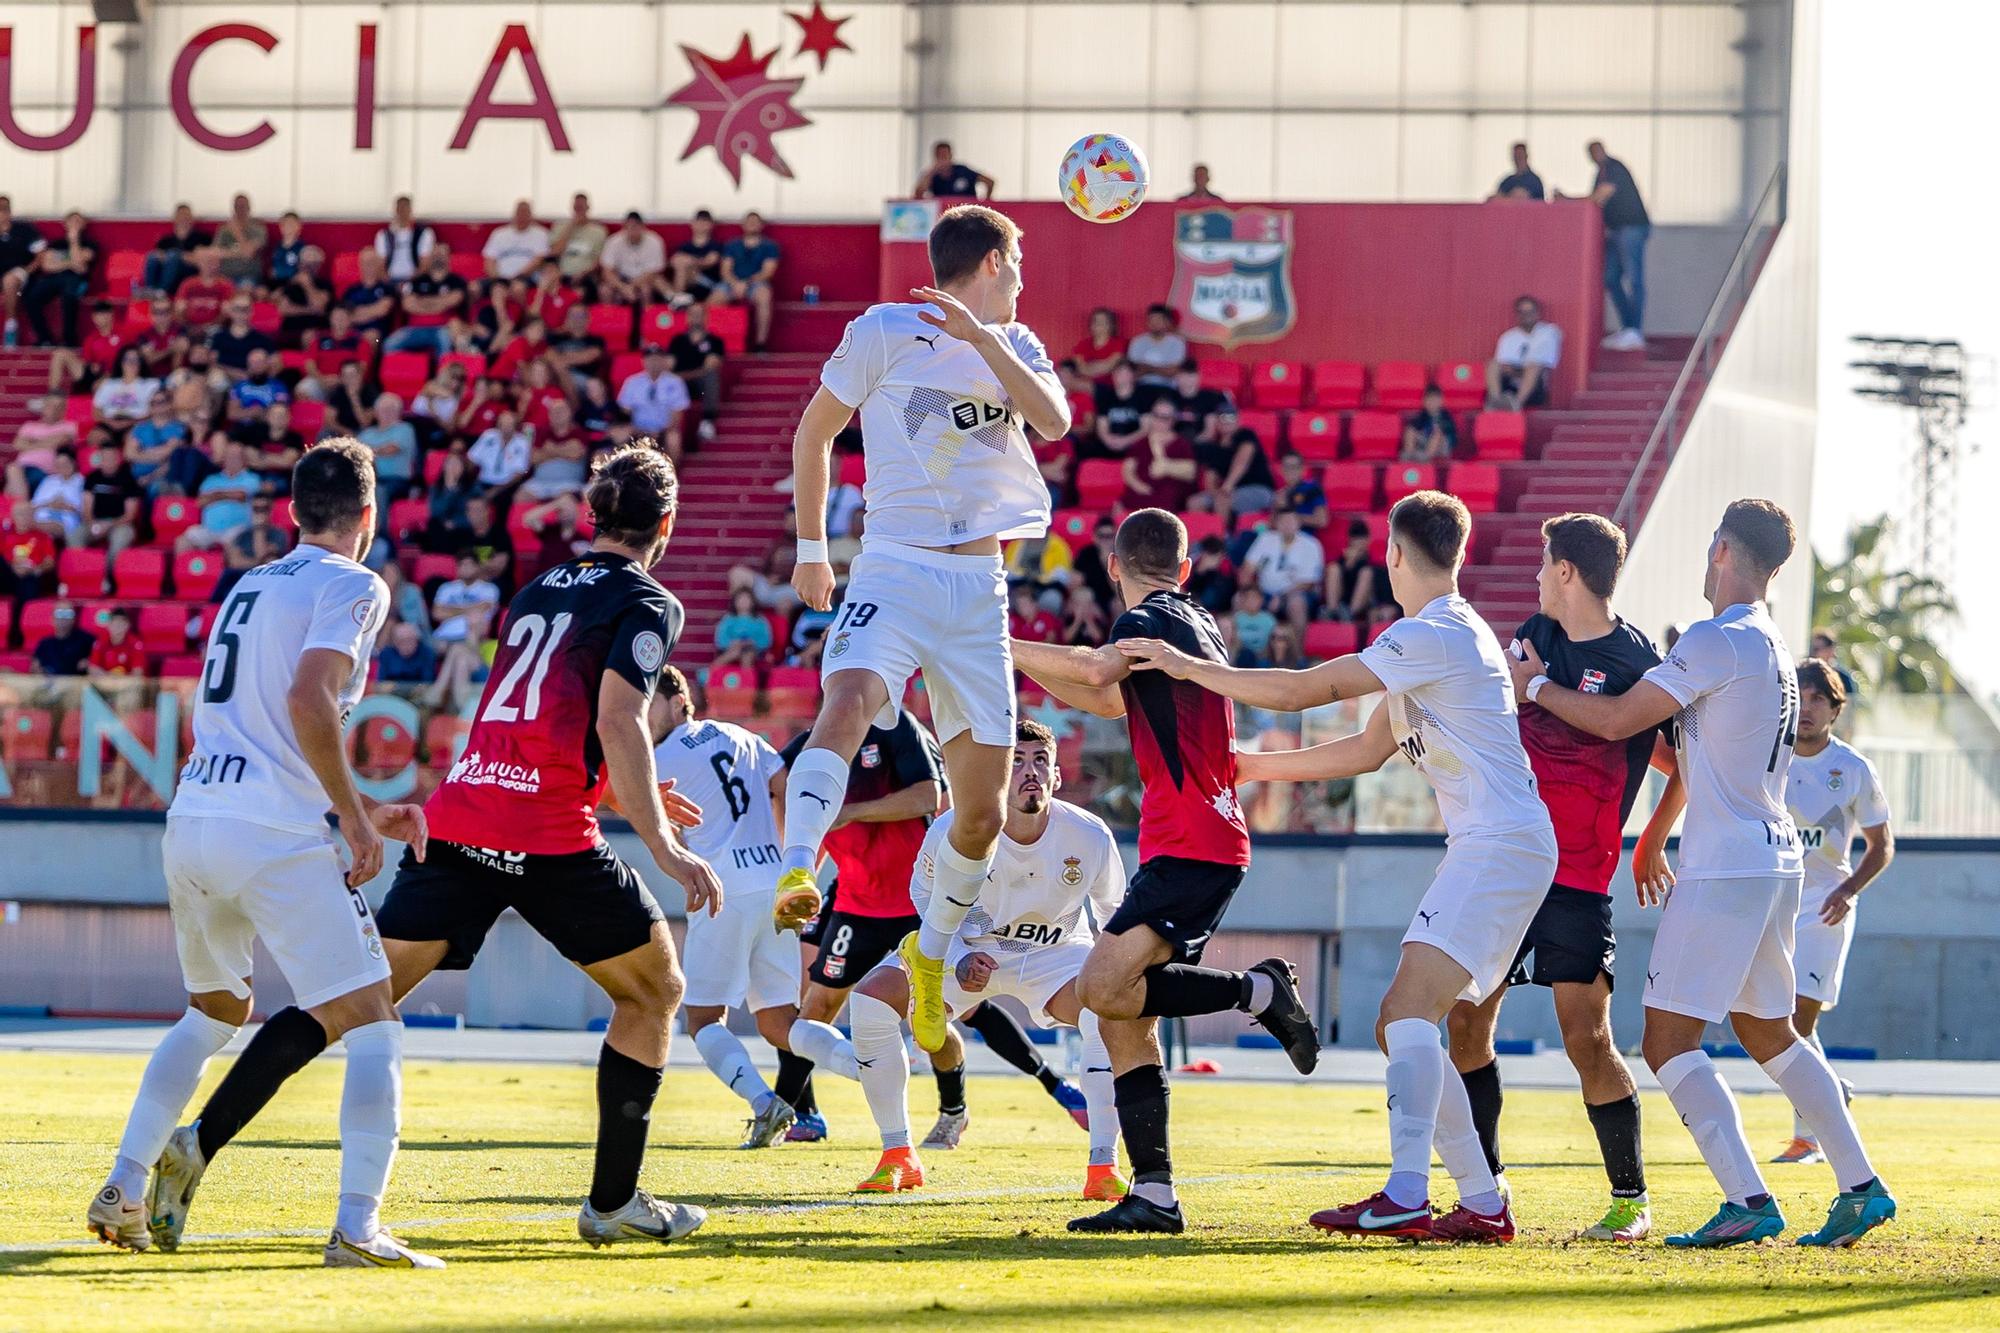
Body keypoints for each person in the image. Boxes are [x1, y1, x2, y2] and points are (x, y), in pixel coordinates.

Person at [146, 442, 721, 1253]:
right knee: (656, 989)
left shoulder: (534, 589)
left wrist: (624, 787)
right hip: (547, 831)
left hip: (462, 815)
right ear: (665, 522)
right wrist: (662, 843)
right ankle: (613, 1201)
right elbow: (616, 719)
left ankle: (198, 1141)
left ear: (592, 517)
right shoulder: (650, 600)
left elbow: (532, 720)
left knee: (344, 997)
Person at [1125, 492, 1556, 1243]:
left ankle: (1409, 1193)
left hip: (1499, 844)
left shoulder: (1436, 631)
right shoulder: (1442, 636)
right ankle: (1482, 1200)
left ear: (1393, 554)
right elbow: (1363, 752)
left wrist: (1187, 668)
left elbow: (1303, 689)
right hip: (1500, 845)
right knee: (1407, 1023)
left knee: (1405, 1017)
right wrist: (1249, 767)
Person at [86, 440, 437, 1265]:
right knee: (374, 1020)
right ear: (368, 513)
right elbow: (309, 699)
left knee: (213, 1009)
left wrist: (365, 809)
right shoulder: (356, 583)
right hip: (274, 836)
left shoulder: (250, 582)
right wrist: (353, 822)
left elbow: (271, 725)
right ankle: (358, 1227)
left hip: (197, 817)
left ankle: (125, 1181)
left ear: (290, 512)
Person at [1517, 498, 1896, 1248]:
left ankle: (1748, 1198)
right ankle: (1862, 1185)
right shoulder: (1770, 646)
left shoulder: (1717, 637)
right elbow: (1683, 749)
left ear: (1722, 548)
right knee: (1772, 1034)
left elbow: (1620, 718)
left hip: (1727, 866)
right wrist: (1658, 830)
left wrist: (1535, 686)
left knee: (1665, 1040)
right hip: (1771, 856)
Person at [780, 204, 1071, 1058]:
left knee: (976, 814)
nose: (1023, 278)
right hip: (895, 569)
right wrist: (811, 549)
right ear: (988, 258)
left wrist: (984, 341)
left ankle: (932, 959)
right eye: (1016, 262)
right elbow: (814, 431)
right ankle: (801, 864)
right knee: (849, 698)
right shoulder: (882, 328)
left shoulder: (1015, 343)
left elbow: (1052, 423)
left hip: (979, 591)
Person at [1012, 509, 1317, 1235]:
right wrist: (1015, 662)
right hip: (1193, 837)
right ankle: (1154, 1194)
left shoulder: (1148, 620)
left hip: (1194, 839)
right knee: (1124, 1016)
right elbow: (1103, 694)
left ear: (1113, 567)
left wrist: (998, 640)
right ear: (1184, 568)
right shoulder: (1190, 620)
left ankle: (1261, 989)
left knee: (1099, 985)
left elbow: (1092, 670)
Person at [1439, 513, 1668, 1243]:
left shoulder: (1637, 659)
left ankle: (1631, 1200)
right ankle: (1489, 1187)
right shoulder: (1534, 632)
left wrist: (1651, 839)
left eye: (1545, 563)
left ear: (1568, 569)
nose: (1537, 575)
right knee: (1467, 1023)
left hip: (1578, 879)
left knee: (1588, 1039)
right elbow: (1504, 701)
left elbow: (1664, 755)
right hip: (1508, 867)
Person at [798, 721, 1131, 1199]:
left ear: (1057, 776)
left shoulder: (1088, 835)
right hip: (967, 948)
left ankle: (1103, 1166)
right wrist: (954, 957)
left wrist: (1117, 974)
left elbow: (1112, 915)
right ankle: (898, 1155)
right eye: (1015, 761)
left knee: (1109, 1013)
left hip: (1055, 955)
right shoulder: (953, 829)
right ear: (995, 772)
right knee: (871, 1001)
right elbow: (923, 895)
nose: (1030, 772)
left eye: (1041, 761)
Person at [645, 667, 812, 1148]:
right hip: (772, 881)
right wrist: (788, 853)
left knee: (701, 1020)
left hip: (721, 889)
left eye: (649, 700)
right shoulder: (743, 734)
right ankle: (871, 1062)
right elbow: (787, 785)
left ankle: (765, 1104)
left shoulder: (657, 757)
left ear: (680, 701)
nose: (641, 711)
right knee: (781, 1023)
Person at [1770, 659, 1894, 1167]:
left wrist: (1847, 888)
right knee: (1773, 1020)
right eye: (1800, 695)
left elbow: (1881, 845)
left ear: (1835, 708)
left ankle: (1808, 1137)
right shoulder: (1768, 758)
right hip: (1773, 906)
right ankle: (1832, 1089)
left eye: (1819, 697)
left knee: (1796, 1021)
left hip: (1825, 911)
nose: (1808, 707)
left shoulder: (1853, 768)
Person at [1585, 141, 1649, 349]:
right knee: (1610, 278)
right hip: (1615, 231)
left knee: (1634, 278)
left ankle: (1635, 330)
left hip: (1631, 228)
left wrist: (1570, 200)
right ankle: (1628, 327)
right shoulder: (1600, 173)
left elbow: (1599, 197)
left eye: (1597, 150)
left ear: (1603, 150)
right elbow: (1594, 200)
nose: (1595, 155)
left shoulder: (1614, 167)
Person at [1241, 504, 1324, 635]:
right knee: (1239, 599)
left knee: (1296, 603)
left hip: (1296, 593)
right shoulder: (1265, 539)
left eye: (1291, 521)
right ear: (1276, 524)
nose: (1287, 525)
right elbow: (1247, 569)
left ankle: (1298, 653)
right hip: (1264, 592)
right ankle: (1240, 651)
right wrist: (1251, 593)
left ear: (1298, 523)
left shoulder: (1311, 545)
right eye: (1283, 521)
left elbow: (1308, 583)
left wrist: (1280, 596)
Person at [1485, 296, 1561, 410]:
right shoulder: (1508, 337)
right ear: (1517, 314)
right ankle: (1496, 401)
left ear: (1537, 313)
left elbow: (1542, 365)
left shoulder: (1549, 332)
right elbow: (1504, 366)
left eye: (1530, 311)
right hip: (1510, 384)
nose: (1526, 315)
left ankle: (1516, 404)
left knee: (1534, 367)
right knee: (1493, 364)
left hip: (1535, 387)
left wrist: (1518, 369)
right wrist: (1519, 370)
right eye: (1522, 312)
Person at [618, 346, 691, 462]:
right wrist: (638, 430)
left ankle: (671, 477)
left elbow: (677, 414)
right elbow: (624, 411)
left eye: (657, 359)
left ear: (664, 361)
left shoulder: (675, 382)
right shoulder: (632, 382)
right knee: (620, 435)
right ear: (643, 361)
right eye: (650, 359)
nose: (653, 363)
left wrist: (660, 431)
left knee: (673, 440)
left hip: (664, 430)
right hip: (638, 429)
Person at [721, 212, 781, 351]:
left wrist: (746, 283)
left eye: (755, 222)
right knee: (713, 300)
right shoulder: (732, 245)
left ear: (761, 225)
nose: (752, 225)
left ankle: (760, 344)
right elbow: (725, 271)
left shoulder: (770, 246)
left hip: (756, 284)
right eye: (749, 222)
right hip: (732, 283)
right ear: (743, 225)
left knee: (764, 296)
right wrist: (735, 283)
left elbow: (767, 272)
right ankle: (716, 343)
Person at [600, 213, 668, 306]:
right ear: (624, 227)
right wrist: (623, 288)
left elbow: (652, 273)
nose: (632, 231)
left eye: (636, 227)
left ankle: (647, 318)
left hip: (644, 279)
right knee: (605, 290)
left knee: (646, 290)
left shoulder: (654, 241)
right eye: (629, 227)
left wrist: (632, 286)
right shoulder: (614, 241)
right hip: (620, 279)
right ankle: (608, 318)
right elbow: (607, 271)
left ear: (643, 227)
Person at [483, 200, 551, 283]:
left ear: (531, 215)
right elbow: (490, 260)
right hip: (499, 278)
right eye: (519, 212)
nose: (522, 216)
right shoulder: (499, 233)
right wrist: (497, 280)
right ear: (514, 214)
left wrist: (516, 277)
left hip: (525, 277)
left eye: (525, 213)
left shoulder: (541, 234)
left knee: (516, 288)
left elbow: (538, 260)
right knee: (474, 288)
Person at [373, 196, 435, 284]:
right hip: (391, 280)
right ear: (395, 210)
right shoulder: (384, 235)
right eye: (400, 208)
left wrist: (410, 282)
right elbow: (380, 265)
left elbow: (425, 264)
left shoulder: (424, 233)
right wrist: (389, 282)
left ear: (410, 210)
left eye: (405, 208)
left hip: (416, 280)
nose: (402, 212)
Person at [1125, 305, 1187, 387]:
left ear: (1167, 322)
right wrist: (1162, 369)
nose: (1154, 323)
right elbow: (1133, 370)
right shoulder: (1137, 341)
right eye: (1151, 320)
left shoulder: (1177, 343)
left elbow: (1172, 371)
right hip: (1141, 386)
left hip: (1167, 387)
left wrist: (1147, 368)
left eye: (1158, 320)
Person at [914, 141, 993, 200]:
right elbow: (918, 194)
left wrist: (985, 202)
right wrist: (932, 172)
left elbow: (989, 182)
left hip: (967, 213)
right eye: (940, 155)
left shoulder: (963, 171)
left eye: (945, 155)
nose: (943, 159)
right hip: (944, 215)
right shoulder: (931, 175)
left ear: (951, 155)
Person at [32, 602, 95, 676]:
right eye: (59, 614)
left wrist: (90, 662)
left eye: (68, 614)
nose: (63, 618)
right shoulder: (45, 643)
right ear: (52, 618)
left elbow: (98, 661)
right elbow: (35, 667)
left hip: (77, 683)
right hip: (51, 683)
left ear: (74, 618)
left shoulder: (87, 640)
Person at [1402, 385, 1458, 462]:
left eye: (1435, 400)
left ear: (1441, 401)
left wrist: (1439, 430)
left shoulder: (1446, 416)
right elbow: (1415, 426)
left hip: (1442, 446)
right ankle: (1409, 455)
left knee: (1437, 433)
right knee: (1410, 430)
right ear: (1424, 402)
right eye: (1429, 400)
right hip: (1426, 441)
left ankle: (1426, 457)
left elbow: (1451, 436)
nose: (1432, 403)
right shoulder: (1422, 415)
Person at [87, 607, 146, 677]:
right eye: (115, 623)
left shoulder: (136, 644)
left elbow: (138, 673)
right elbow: (92, 668)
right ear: (108, 625)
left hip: (128, 685)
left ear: (128, 625)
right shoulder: (100, 641)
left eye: (121, 624)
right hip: (106, 682)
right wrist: (110, 679)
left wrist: (119, 682)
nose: (118, 628)